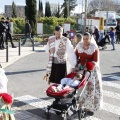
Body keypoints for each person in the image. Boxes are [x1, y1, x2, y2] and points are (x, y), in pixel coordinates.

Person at [75, 32, 103, 114]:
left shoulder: (94, 47)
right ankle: (79, 104)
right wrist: (75, 65)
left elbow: (95, 61)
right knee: (78, 86)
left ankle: (89, 107)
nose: (85, 40)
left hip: (91, 69)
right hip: (80, 68)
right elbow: (75, 56)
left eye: (87, 39)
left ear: (90, 39)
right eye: (84, 39)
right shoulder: (79, 46)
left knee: (90, 88)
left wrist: (87, 67)